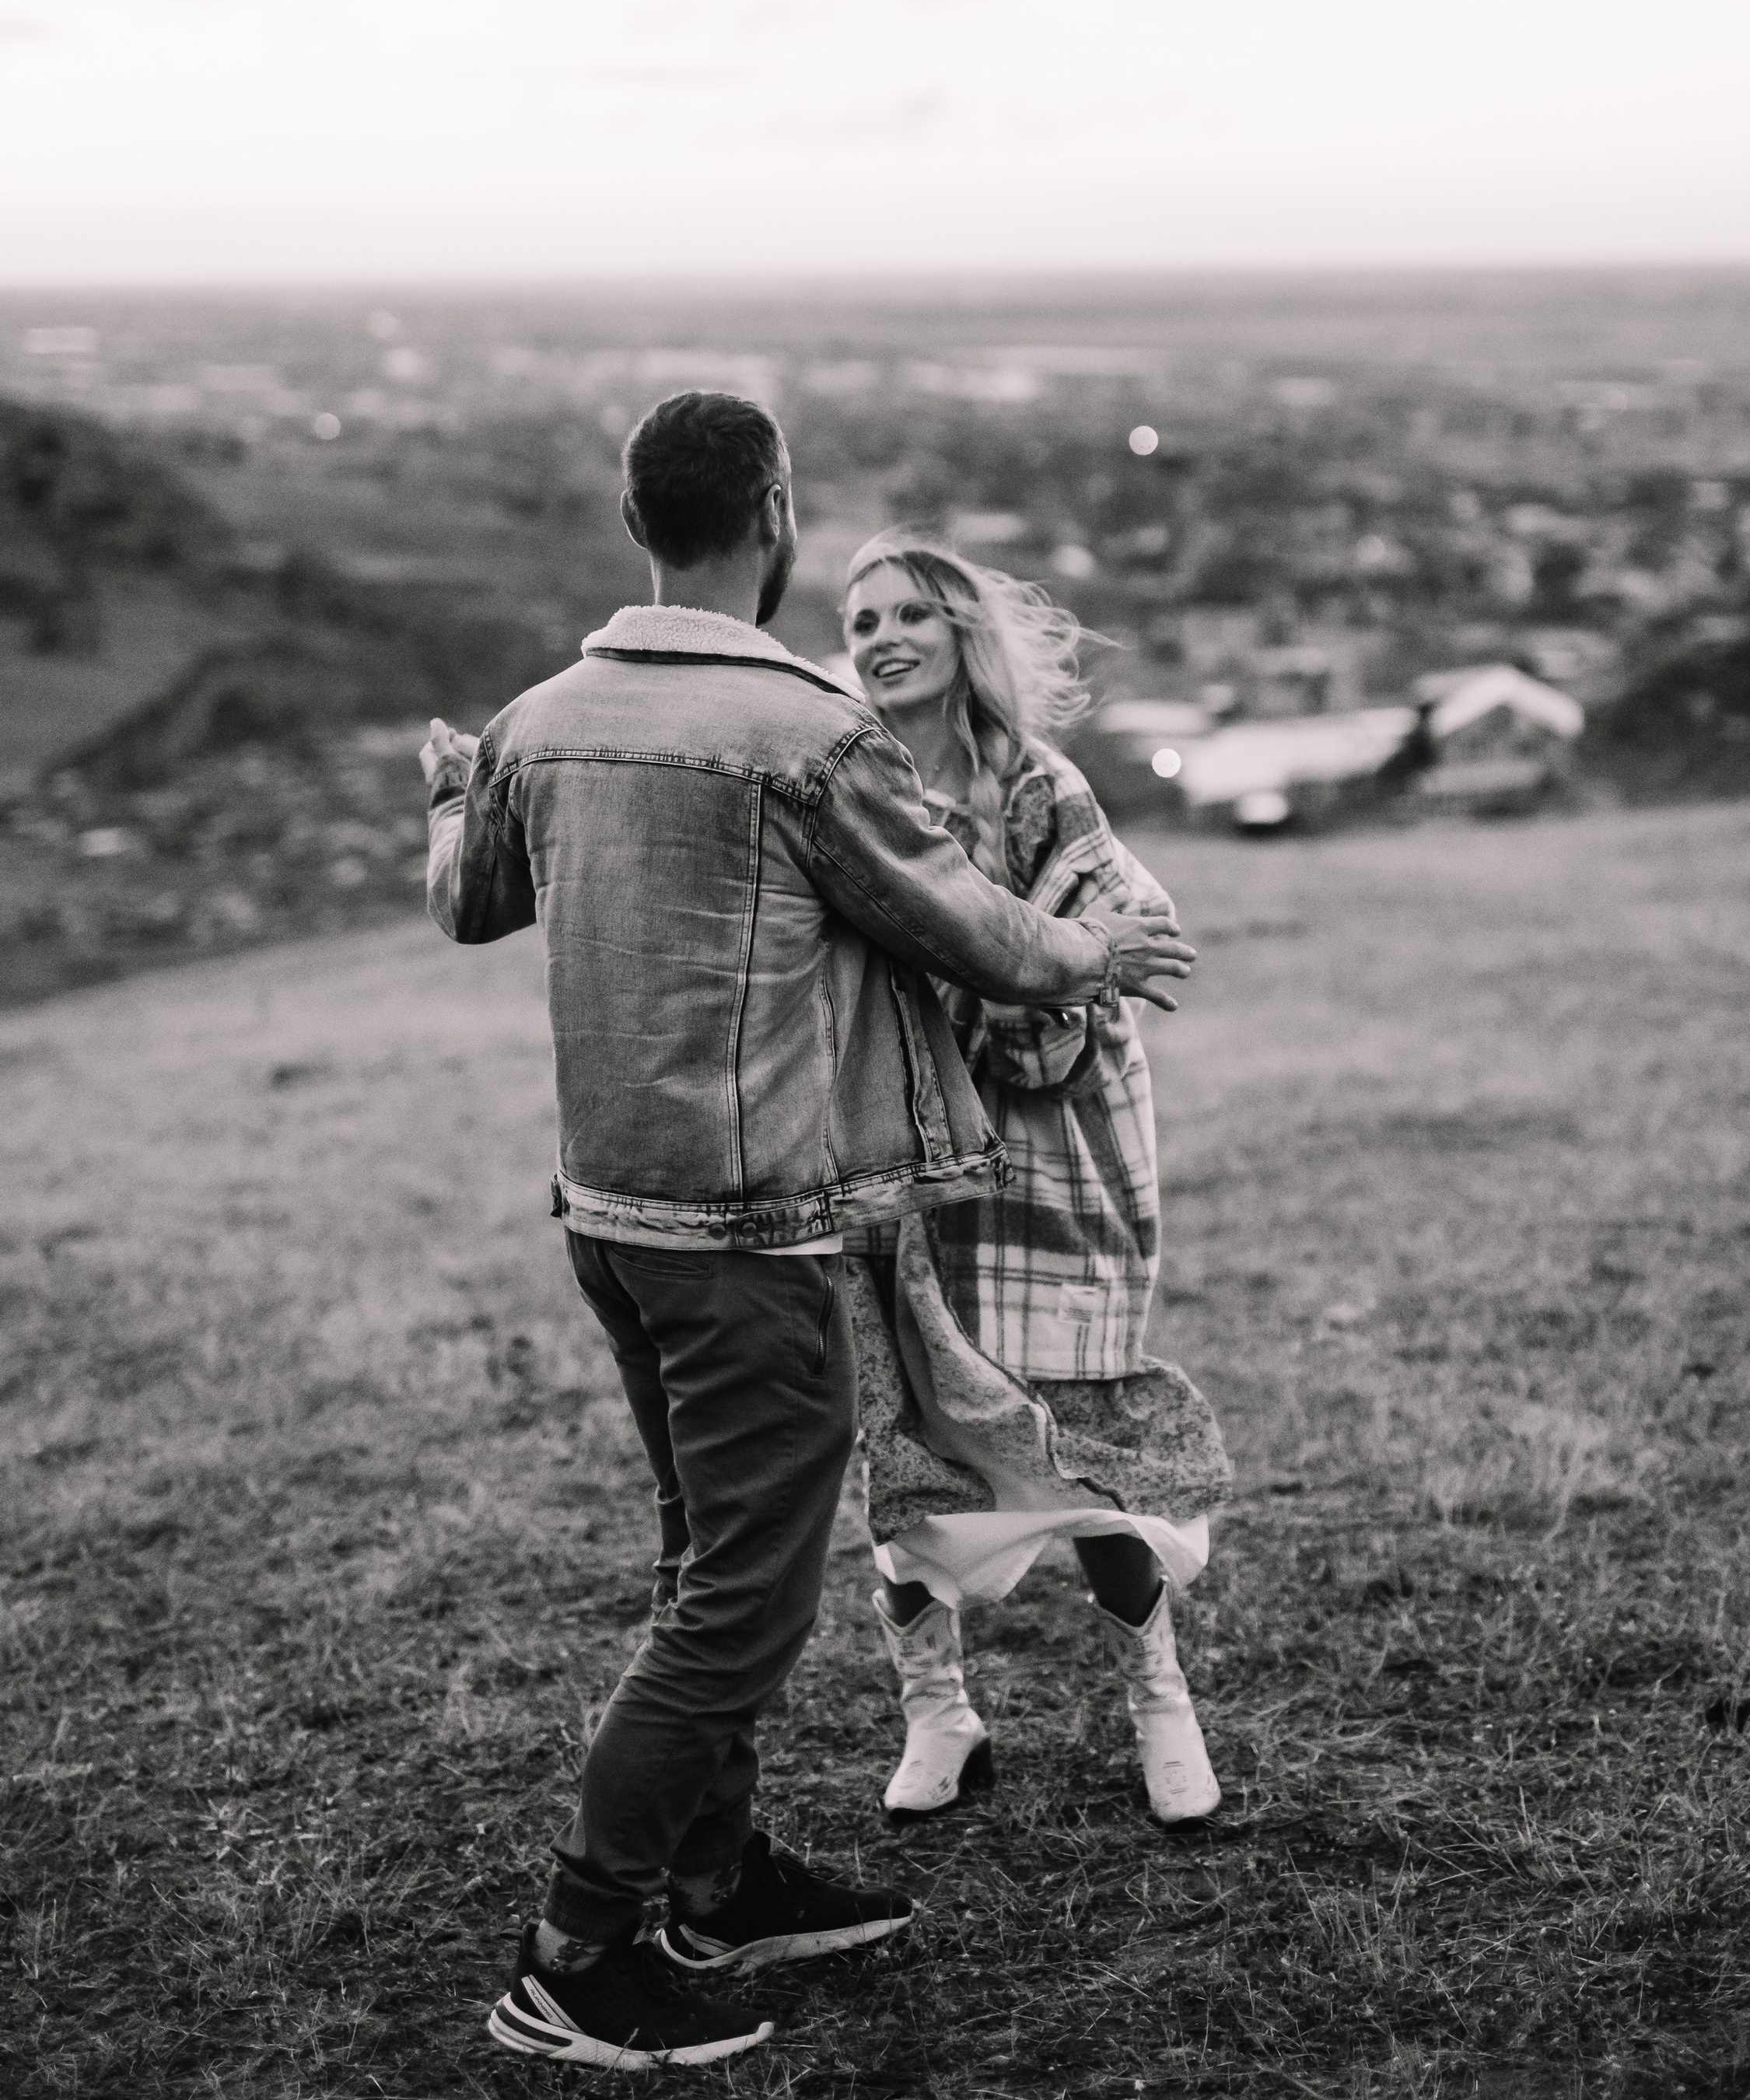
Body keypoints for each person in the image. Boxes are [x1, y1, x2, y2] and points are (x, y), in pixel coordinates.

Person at [422, 391, 1195, 2074]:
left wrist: (446, 796)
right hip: (747, 1231)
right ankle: (576, 1953)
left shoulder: (540, 721)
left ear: (638, 520)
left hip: (608, 1223)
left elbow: (467, 902)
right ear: (773, 514)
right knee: (737, 1613)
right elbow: (976, 931)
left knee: (701, 1561)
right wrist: (1096, 956)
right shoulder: (808, 737)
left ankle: (720, 1886)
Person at [841, 534, 1230, 1829]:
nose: (884, 638)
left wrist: (1040, 967)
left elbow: (1129, 936)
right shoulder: (851, 791)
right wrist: (1047, 955)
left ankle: (1161, 1703)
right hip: (905, 1146)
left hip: (1062, 1143)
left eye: (912, 613)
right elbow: (866, 972)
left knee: (1082, 1436)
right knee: (912, 1431)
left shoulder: (1038, 787)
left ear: (962, 635)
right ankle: (938, 1713)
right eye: (862, 621)